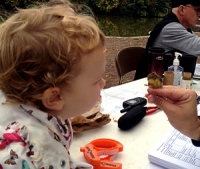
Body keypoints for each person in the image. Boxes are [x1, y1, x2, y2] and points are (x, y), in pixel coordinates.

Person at [0, 5, 106, 169]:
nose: (103, 83)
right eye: (96, 80)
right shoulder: (27, 153)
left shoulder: (40, 106)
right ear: (54, 97)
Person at [135, 0, 200, 80]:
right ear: (182, 9)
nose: (199, 15)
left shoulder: (182, 28)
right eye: (198, 10)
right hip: (149, 85)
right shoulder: (171, 28)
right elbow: (197, 47)